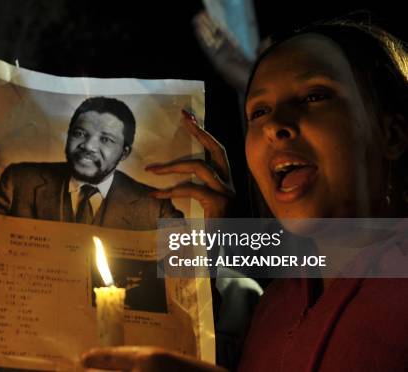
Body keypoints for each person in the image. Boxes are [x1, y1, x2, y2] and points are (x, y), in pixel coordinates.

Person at [82, 19, 408, 372]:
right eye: (259, 111)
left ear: (392, 135)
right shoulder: (273, 306)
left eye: (315, 96)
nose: (272, 125)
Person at [0, 96, 184, 230]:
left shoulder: (154, 206)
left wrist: (216, 215)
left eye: (106, 139)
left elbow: (194, 272)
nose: (88, 146)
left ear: (124, 153)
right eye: (80, 133)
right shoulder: (19, 181)